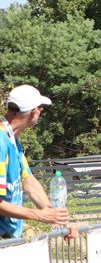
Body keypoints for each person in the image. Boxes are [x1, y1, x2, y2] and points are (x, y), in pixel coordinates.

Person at [0, 85, 71, 239]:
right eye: (41, 109)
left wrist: (57, 218)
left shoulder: (13, 141)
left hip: (8, 238)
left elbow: (29, 182)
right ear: (34, 112)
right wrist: (38, 215)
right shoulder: (1, 142)